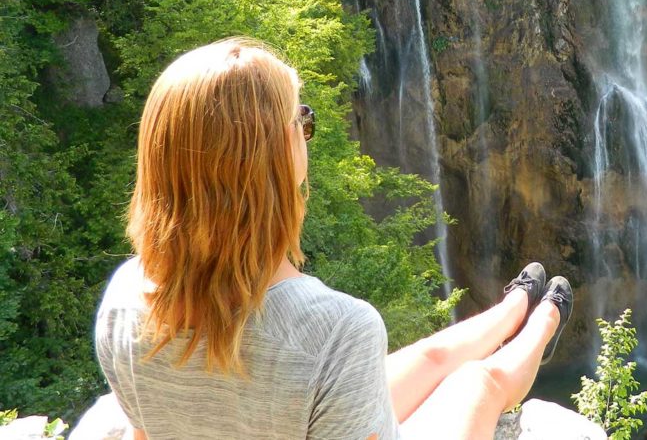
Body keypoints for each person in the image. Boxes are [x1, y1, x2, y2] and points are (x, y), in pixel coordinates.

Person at [93, 38, 573, 440]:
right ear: (275, 154)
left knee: (430, 356)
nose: (307, 131)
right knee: (475, 383)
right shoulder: (335, 330)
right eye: (301, 119)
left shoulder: (124, 299)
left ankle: (511, 311)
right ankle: (541, 324)